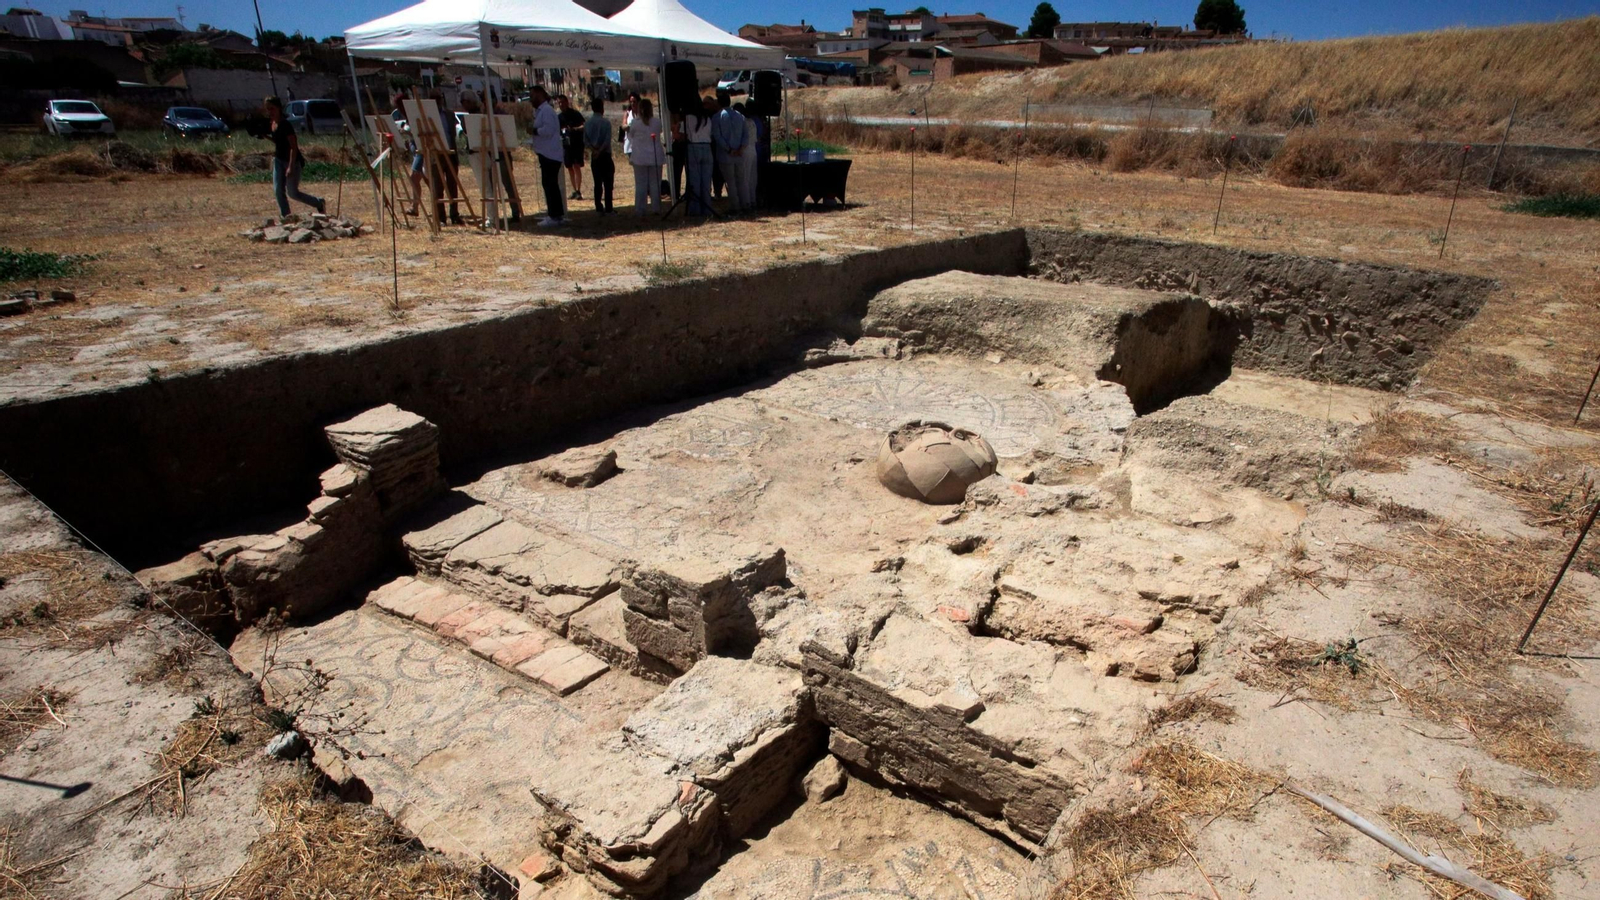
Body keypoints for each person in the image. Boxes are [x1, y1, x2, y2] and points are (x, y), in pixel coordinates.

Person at [260, 96, 324, 218]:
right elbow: (278, 142)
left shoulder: (285, 124)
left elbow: (293, 147)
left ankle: (318, 202)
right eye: (267, 109)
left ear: (278, 108)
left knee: (293, 193)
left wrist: (290, 166)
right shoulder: (272, 124)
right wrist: (264, 136)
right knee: (278, 190)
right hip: (278, 160)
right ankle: (286, 216)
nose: (270, 112)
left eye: (272, 108)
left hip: (292, 161)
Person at [526, 86, 565, 227]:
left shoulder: (547, 111)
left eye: (532, 96)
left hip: (550, 154)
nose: (530, 99)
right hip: (546, 153)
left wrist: (534, 130)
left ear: (539, 95)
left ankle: (554, 215)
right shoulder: (541, 111)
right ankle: (556, 214)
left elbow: (548, 130)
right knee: (550, 185)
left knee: (550, 185)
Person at [676, 97, 715, 216]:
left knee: (694, 182)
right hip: (707, 149)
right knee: (706, 182)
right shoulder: (708, 119)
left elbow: (681, 136)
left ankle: (695, 210)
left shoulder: (688, 119)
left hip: (694, 148)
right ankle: (707, 209)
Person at [627, 98, 664, 217]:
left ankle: (640, 209)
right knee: (655, 184)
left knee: (641, 184)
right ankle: (656, 208)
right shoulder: (657, 122)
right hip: (655, 156)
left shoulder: (635, 123)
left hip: (639, 158)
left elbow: (630, 135)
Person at [711, 92, 747, 213]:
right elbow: (745, 134)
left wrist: (729, 149)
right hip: (739, 154)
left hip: (726, 155)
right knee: (741, 181)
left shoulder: (717, 117)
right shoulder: (740, 116)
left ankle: (735, 206)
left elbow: (717, 136)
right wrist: (741, 148)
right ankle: (745, 204)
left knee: (731, 182)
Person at [584, 98, 614, 214]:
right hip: (605, 155)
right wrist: (600, 150)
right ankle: (609, 208)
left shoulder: (587, 123)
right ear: (602, 108)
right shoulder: (606, 123)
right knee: (608, 184)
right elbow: (607, 141)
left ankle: (598, 206)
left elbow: (586, 141)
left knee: (597, 183)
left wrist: (594, 150)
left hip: (595, 157)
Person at [558, 94, 585, 202]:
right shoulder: (559, 117)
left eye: (562, 102)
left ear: (567, 102)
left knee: (576, 166)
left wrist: (574, 129)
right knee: (569, 168)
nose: (561, 104)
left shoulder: (575, 114)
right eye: (559, 103)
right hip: (566, 146)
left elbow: (584, 126)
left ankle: (579, 190)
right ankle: (574, 190)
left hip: (576, 145)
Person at [734, 101, 758, 211]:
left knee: (744, 177)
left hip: (745, 150)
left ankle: (746, 202)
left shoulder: (742, 122)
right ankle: (753, 200)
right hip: (753, 149)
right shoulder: (751, 121)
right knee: (752, 177)